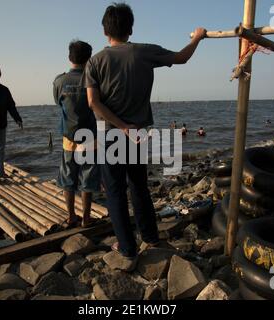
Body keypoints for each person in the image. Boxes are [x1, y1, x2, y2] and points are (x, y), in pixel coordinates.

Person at [84, 2, 207, 261]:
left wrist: (120, 126)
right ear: (130, 29)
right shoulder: (143, 52)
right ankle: (150, 238)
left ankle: (127, 248)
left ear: (105, 31)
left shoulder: (95, 61)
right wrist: (197, 37)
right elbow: (182, 57)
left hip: (109, 134)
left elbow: (93, 102)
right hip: (137, 133)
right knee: (139, 186)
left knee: (116, 191)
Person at [53, 40, 100, 229]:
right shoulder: (94, 80)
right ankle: (86, 218)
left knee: (68, 178)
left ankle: (71, 216)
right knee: (88, 178)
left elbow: (58, 102)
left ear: (69, 57)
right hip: (90, 136)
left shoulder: (60, 81)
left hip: (69, 137)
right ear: (89, 58)